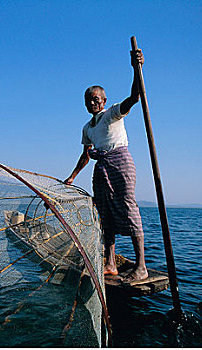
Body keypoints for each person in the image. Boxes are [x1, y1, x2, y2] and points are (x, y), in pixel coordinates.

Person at [63, 49, 148, 283]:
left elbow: (135, 97)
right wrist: (71, 177)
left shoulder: (112, 113)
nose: (92, 103)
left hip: (120, 162)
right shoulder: (87, 128)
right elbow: (85, 156)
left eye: (96, 99)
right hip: (101, 168)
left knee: (128, 208)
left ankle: (141, 266)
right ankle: (110, 263)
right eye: (88, 100)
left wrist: (136, 68)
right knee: (104, 214)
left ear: (104, 101)